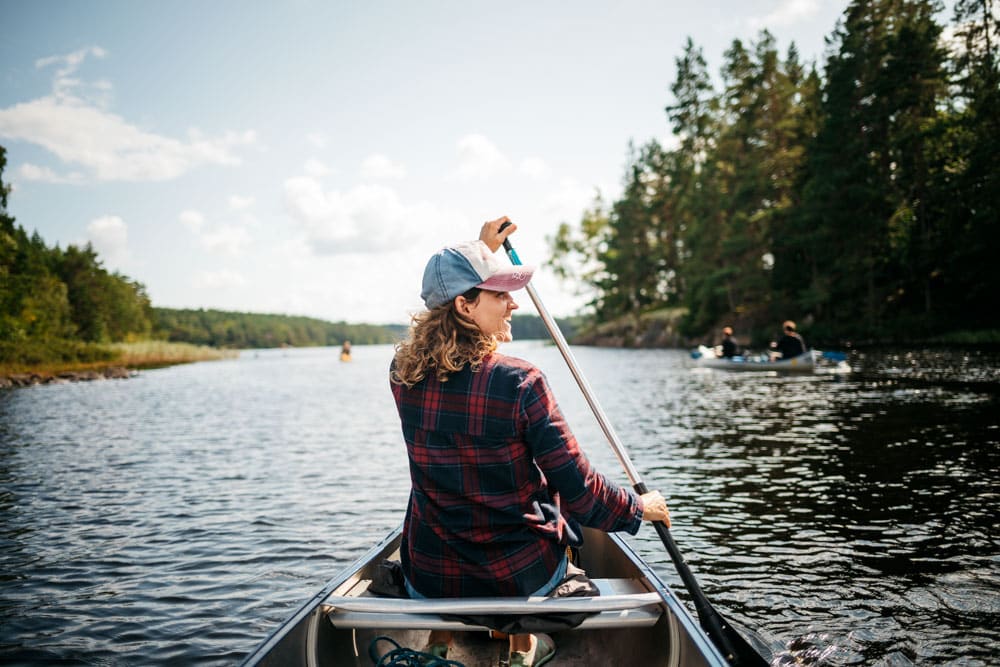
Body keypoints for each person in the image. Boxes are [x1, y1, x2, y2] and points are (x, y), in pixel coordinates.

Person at [390, 216, 670, 667]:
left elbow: (458, 360)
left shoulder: (402, 374)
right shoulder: (522, 382)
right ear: (465, 306)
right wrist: (640, 509)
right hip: (517, 580)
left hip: (431, 578)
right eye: (501, 294)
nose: (513, 304)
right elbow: (582, 493)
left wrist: (482, 253)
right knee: (555, 510)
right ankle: (523, 651)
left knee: (452, 500)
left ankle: (438, 643)